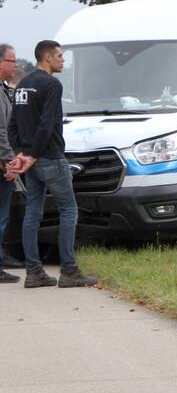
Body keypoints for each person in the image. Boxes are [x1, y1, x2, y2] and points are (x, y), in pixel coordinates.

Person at [6, 40, 96, 288]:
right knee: (69, 210)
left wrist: (21, 153)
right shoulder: (52, 84)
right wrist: (33, 154)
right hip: (49, 157)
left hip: (30, 160)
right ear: (47, 58)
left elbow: (12, 125)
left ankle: (33, 271)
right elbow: (47, 125)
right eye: (59, 56)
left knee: (32, 213)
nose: (63, 60)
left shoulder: (23, 84)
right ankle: (69, 271)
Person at [0, 44, 21, 283]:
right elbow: (1, 132)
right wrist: (9, 163)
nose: (16, 66)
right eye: (12, 61)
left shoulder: (4, 89)